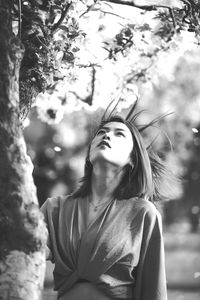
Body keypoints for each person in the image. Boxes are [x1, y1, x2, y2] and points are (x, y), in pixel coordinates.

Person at [41, 103, 170, 300]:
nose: (107, 136)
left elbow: (153, 291)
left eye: (119, 134)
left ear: (132, 159)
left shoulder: (143, 213)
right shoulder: (54, 209)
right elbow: (21, 253)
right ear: (90, 153)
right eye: (101, 132)